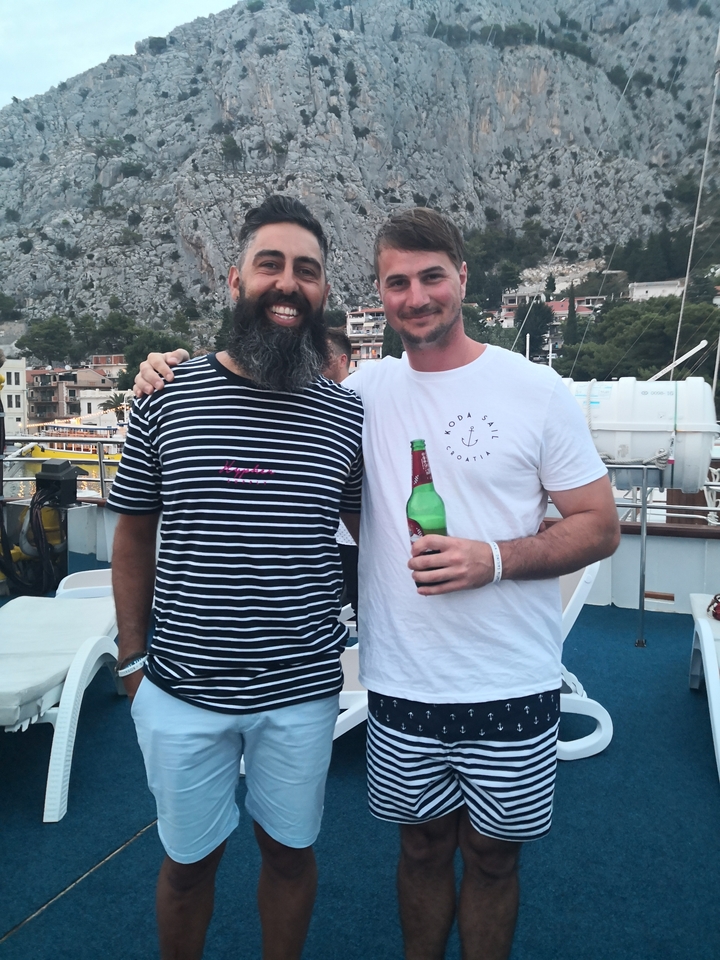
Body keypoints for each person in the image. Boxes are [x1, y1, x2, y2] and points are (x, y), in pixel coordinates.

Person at [136, 207, 620, 960]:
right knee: (420, 850)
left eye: (432, 277)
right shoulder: (362, 394)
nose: (416, 296)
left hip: (510, 679)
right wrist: (160, 366)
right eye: (397, 282)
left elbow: (600, 524)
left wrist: (491, 558)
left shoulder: (536, 389)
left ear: (463, 279)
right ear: (377, 295)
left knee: (495, 858)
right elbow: (255, 371)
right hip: (400, 682)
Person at [108, 195, 363, 960]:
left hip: (302, 689)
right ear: (235, 280)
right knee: (189, 867)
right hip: (182, 689)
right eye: (271, 265)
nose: (289, 284)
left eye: (308, 271)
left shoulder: (346, 419)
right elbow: (130, 537)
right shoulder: (166, 398)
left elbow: (382, 533)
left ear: (322, 293)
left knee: (289, 856)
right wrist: (130, 658)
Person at [322, 328, 359, 619]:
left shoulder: (356, 395)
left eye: (324, 356)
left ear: (342, 359)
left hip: (356, 533)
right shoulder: (315, 403)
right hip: (339, 534)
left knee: (358, 595)